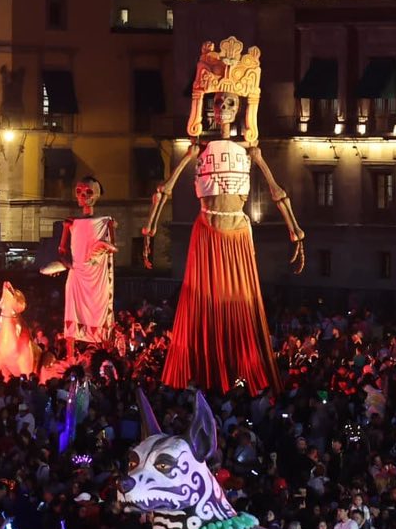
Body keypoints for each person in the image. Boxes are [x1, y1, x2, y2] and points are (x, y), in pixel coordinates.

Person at [143, 38, 304, 395]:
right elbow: (166, 187)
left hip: (235, 230)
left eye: (231, 102)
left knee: (237, 304)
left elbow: (276, 189)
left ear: (241, 106)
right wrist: (151, 228)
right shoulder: (199, 147)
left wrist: (295, 231)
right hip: (209, 226)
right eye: (219, 101)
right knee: (203, 303)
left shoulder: (250, 148)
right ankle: (204, 369)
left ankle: (234, 370)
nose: (225, 107)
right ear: (210, 107)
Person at [44, 177, 117, 361]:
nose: (83, 196)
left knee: (99, 309)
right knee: (72, 311)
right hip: (77, 275)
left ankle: (103, 354)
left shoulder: (104, 222)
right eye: (79, 192)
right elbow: (62, 250)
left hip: (95, 274)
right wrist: (69, 265)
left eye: (88, 192)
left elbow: (112, 249)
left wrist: (106, 242)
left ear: (96, 195)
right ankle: (70, 357)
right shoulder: (70, 223)